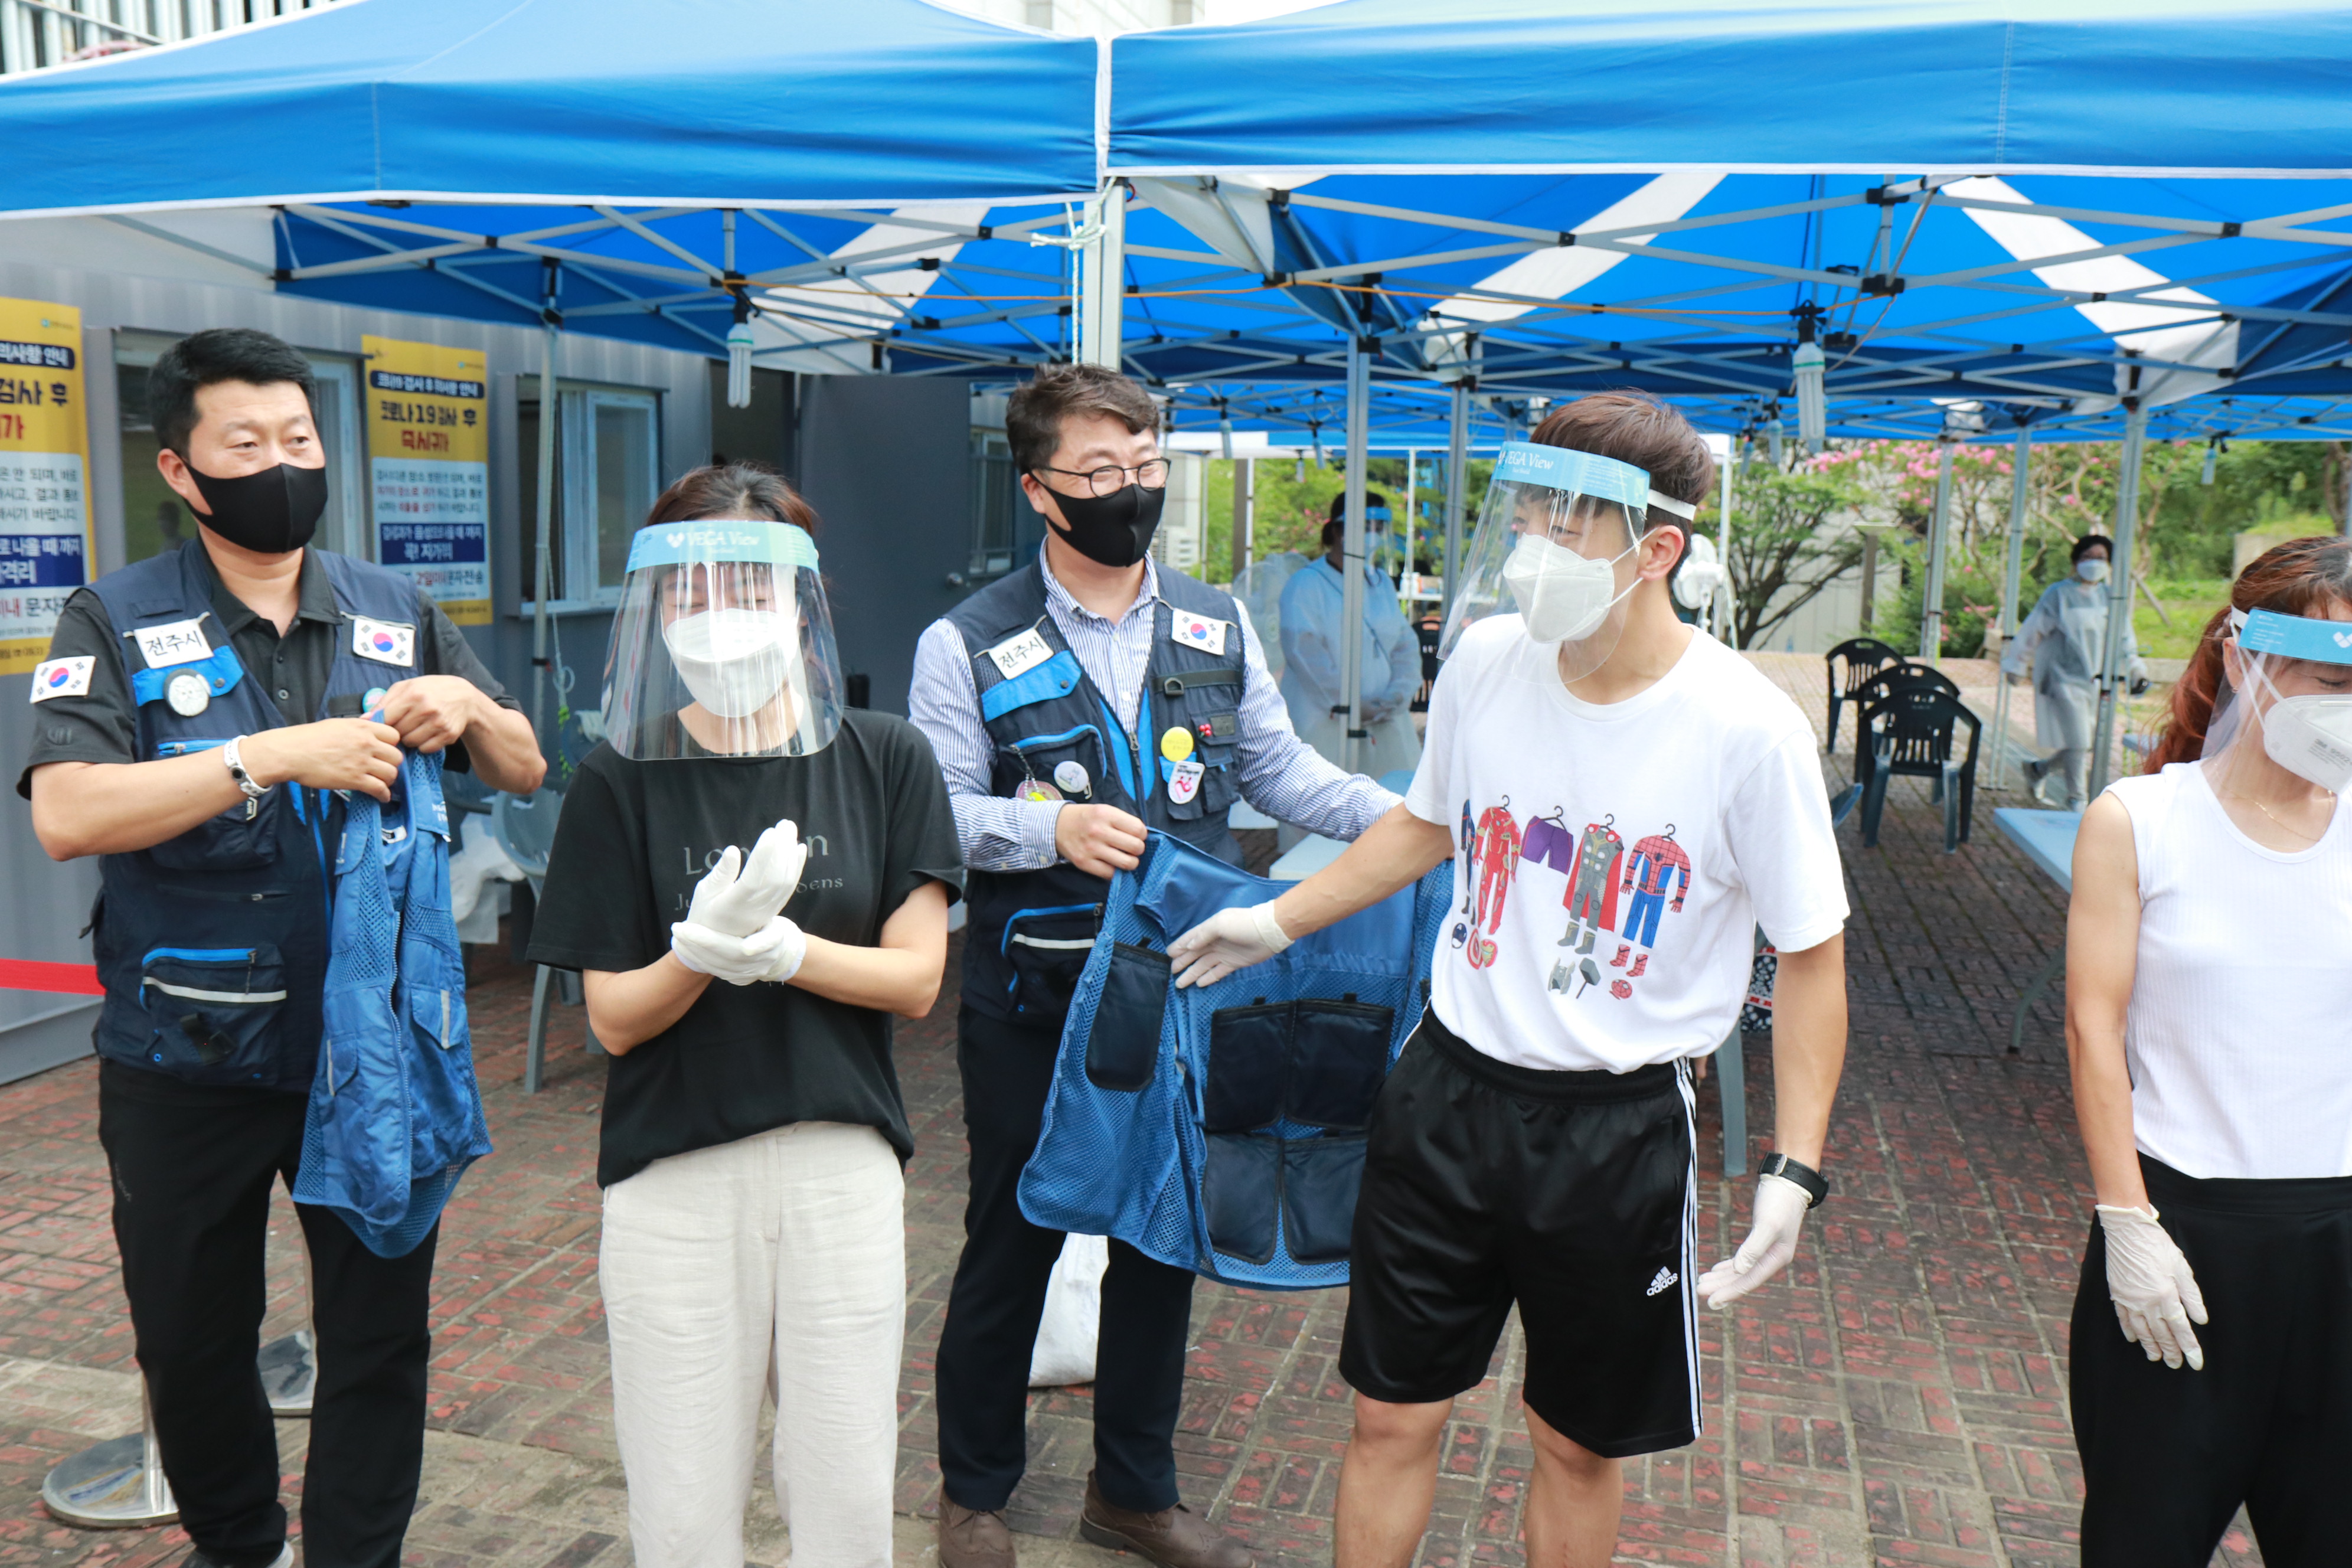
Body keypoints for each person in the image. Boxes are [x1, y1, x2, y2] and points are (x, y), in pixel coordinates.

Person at [1165, 392, 1851, 1568]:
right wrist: (1274, 920)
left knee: (1574, 1442)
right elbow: (1428, 821)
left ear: (1656, 550)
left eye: (1566, 525)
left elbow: (1811, 952)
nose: (1532, 545)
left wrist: (1792, 1166)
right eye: (1525, 513)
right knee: (1390, 1412)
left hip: (1615, 1125)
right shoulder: (1486, 659)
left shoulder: (1746, 729)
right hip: (1447, 1091)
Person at [21, 327, 544, 1568]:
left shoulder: (392, 606)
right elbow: (69, 813)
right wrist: (260, 756)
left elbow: (525, 765)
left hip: (371, 1051)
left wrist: (470, 704)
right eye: (245, 443)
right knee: (190, 1336)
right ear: (181, 470)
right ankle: (238, 1542)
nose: (280, 465)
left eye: (299, 439)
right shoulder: (112, 615)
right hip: (185, 1054)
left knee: (379, 1334)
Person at [908, 364, 1397, 1568]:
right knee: (1012, 1232)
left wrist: (1406, 819)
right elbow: (939, 811)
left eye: (1144, 467)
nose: (1128, 490)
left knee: (1161, 1238)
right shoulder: (965, 640)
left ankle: (1133, 1491)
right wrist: (1050, 831)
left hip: (1182, 991)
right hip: (1036, 994)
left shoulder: (1212, 620)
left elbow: (1278, 771)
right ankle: (973, 1490)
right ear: (1038, 488)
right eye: (1098, 471)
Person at [522, 464, 963, 1568]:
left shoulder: (884, 757)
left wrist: (786, 953)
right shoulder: (618, 777)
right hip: (673, 1172)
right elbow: (614, 1020)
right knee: (680, 1501)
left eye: (749, 585)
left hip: (839, 1163)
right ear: (657, 608)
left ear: (802, 601)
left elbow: (916, 980)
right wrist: (695, 954)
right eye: (692, 589)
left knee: (846, 1487)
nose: (720, 614)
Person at [2064, 535, 2352, 1566]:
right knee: (2144, 1539)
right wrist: (2126, 1221)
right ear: (2243, 658)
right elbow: (2093, 1027)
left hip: (2337, 1236)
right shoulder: (2141, 821)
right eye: (2331, 682)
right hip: (2182, 1239)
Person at [1278, 491, 1425, 784]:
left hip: (1384, 724)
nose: (1373, 535)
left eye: (1379, 528)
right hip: (1323, 723)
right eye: (1365, 527)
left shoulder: (1380, 583)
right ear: (1338, 530)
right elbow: (1305, 650)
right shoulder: (1307, 584)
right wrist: (1348, 703)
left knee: (1390, 796)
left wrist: (1396, 695)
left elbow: (1404, 645)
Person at [2002, 534, 2148, 809]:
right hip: (2061, 676)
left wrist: (2136, 669)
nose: (2094, 563)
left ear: (2110, 563)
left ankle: (2039, 769)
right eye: (2087, 557)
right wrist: (2016, 663)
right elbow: (2033, 629)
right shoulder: (2058, 594)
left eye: (2101, 558)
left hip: (2097, 680)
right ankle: (2077, 800)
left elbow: (2124, 639)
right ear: (2076, 561)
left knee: (2087, 743)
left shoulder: (2111, 597)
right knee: (2079, 742)